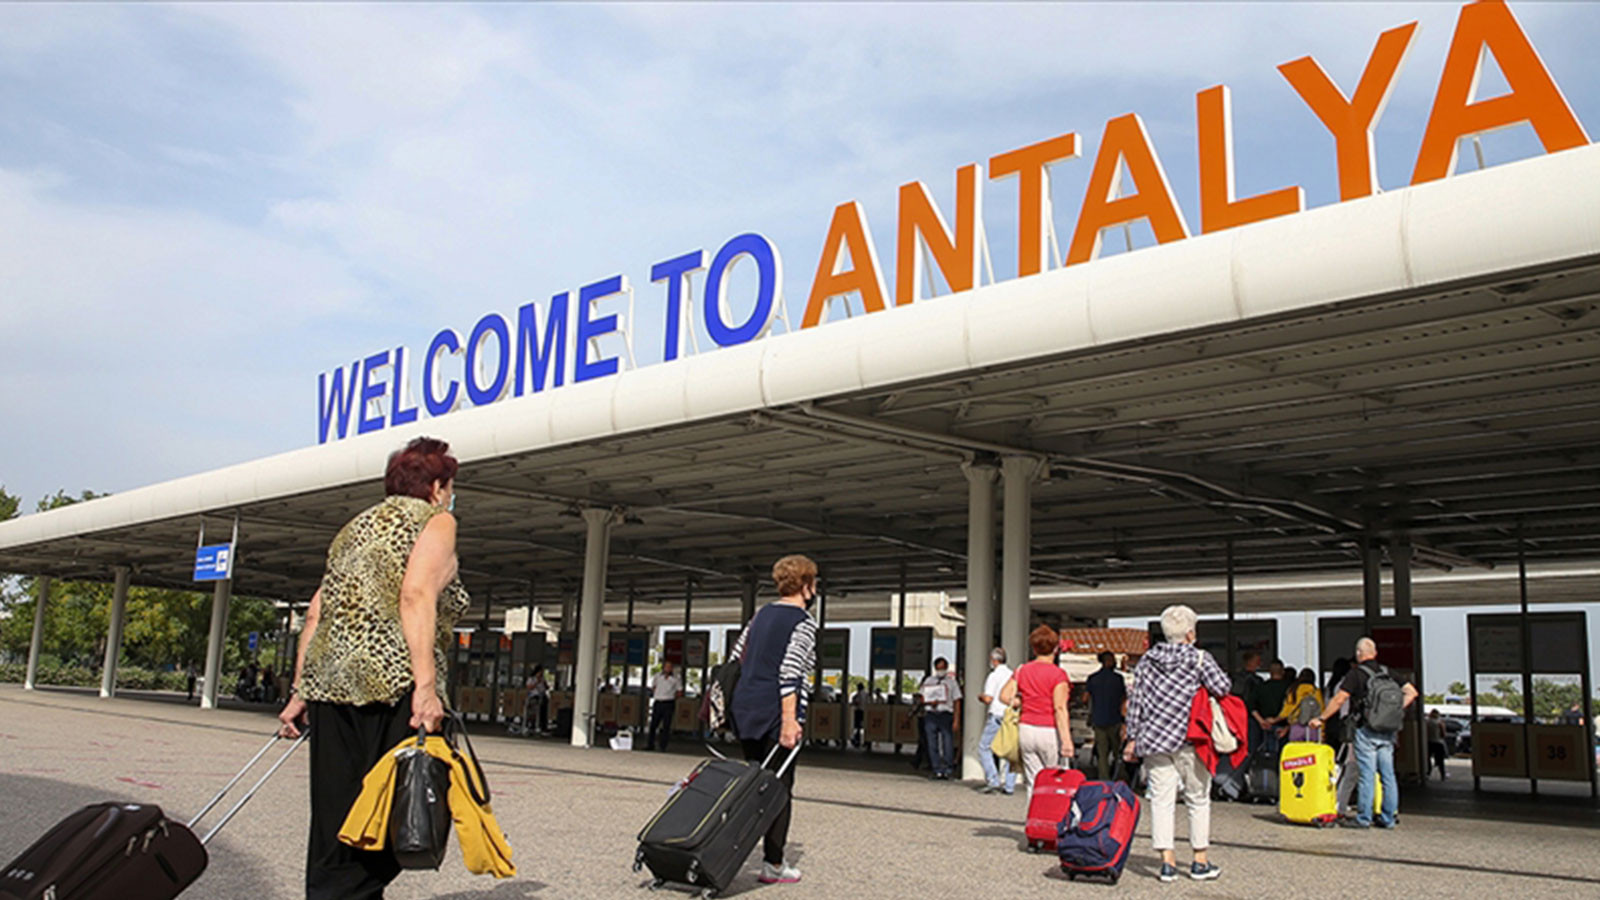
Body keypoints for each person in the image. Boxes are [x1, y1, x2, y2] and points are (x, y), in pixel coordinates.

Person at [277, 436, 471, 899]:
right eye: (449, 486)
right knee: (400, 815)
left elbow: (318, 611)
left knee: (335, 823)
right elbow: (416, 595)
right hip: (392, 686)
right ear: (438, 486)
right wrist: (426, 687)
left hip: (330, 687)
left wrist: (302, 690)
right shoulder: (437, 521)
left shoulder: (353, 528)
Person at [727, 554, 819, 886]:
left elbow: (736, 658)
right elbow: (791, 672)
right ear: (806, 586)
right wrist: (790, 720)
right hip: (774, 712)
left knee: (754, 784)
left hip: (746, 708)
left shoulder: (760, 615)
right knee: (779, 788)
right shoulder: (804, 622)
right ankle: (773, 863)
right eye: (815, 581)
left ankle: (730, 849)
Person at [1123, 604, 1228, 883]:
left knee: (1161, 800)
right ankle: (1199, 861)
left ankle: (1167, 863)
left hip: (1154, 740)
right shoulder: (1200, 659)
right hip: (1190, 740)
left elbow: (1136, 702)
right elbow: (1223, 687)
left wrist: (1132, 736)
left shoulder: (1146, 661)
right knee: (1198, 799)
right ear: (1190, 633)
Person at [1311, 637, 1419, 829]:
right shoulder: (1388, 673)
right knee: (1388, 775)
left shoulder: (1356, 674)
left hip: (1366, 729)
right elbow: (1412, 692)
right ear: (1375, 653)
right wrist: (1393, 712)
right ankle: (1388, 818)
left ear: (1359, 654)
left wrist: (1322, 718)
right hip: (1387, 731)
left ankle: (1364, 818)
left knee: (1367, 774)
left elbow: (1339, 699)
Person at [999, 625, 1073, 797]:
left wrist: (1020, 702)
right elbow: (1060, 708)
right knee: (1055, 781)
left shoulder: (1022, 670)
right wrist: (1067, 741)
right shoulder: (1058, 675)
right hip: (1050, 731)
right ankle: (1053, 820)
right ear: (1056, 648)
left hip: (1026, 729)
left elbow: (1004, 696)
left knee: (1033, 781)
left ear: (1033, 648)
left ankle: (1034, 820)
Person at [977, 647, 1017, 795]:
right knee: (1010, 749)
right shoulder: (1013, 674)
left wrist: (980, 696)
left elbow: (988, 699)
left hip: (996, 714)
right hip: (1010, 715)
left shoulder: (993, 676)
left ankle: (993, 780)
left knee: (984, 747)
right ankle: (1010, 785)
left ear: (994, 660)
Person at [917, 657, 962, 780]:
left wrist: (956, 719)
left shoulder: (952, 682)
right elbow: (921, 697)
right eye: (938, 668)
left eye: (943, 668)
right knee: (932, 743)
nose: (940, 670)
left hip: (946, 714)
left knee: (947, 742)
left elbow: (957, 700)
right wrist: (929, 701)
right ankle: (936, 768)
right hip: (931, 714)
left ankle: (947, 769)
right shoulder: (929, 681)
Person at [1085, 651, 1127, 782]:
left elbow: (1085, 698)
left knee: (1102, 754)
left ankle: (1104, 779)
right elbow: (1124, 699)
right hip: (1114, 719)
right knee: (1118, 752)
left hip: (1098, 719)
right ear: (1108, 661)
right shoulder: (1118, 679)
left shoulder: (1092, 678)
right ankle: (1121, 777)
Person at [1253, 660, 1291, 754]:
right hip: (1284, 727)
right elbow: (1293, 709)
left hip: (1265, 726)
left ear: (1270, 672)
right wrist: (1287, 726)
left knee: (1267, 756)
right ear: (1283, 671)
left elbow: (1251, 706)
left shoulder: (1261, 687)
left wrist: (1261, 721)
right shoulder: (1289, 688)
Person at [646, 660, 683, 752]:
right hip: (658, 702)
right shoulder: (657, 676)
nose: (668, 668)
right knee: (653, 724)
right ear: (663, 667)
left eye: (670, 667)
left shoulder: (676, 678)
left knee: (666, 726)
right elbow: (653, 687)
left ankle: (663, 746)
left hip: (668, 702)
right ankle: (650, 744)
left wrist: (672, 697)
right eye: (666, 666)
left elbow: (679, 691)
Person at [1278, 669, 1324, 742]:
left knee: (1297, 751)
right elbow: (1321, 710)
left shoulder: (1293, 690)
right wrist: (1322, 733)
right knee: (1311, 751)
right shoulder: (1316, 691)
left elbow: (1286, 711)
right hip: (1313, 728)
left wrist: (1275, 719)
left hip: (1296, 726)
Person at [526, 665, 550, 734]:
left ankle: (543, 726)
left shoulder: (542, 679)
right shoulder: (532, 679)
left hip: (542, 696)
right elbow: (529, 687)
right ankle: (532, 724)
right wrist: (537, 682)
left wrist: (544, 683)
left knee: (543, 710)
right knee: (534, 710)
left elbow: (546, 687)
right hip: (534, 696)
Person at [1426, 709, 1448, 780]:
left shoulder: (1427, 721)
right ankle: (1442, 774)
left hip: (1429, 742)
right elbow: (1443, 734)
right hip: (1438, 742)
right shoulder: (1439, 722)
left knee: (1427, 758)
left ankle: (1428, 773)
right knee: (1440, 759)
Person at [850, 682, 869, 747]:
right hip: (865, 711)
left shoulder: (859, 694)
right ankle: (865, 741)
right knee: (863, 726)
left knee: (857, 727)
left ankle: (857, 741)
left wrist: (853, 701)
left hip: (859, 711)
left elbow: (856, 702)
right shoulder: (866, 694)